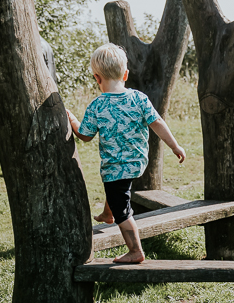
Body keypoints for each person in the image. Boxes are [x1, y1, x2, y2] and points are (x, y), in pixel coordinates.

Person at [67, 43, 186, 264]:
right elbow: (157, 122)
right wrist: (174, 146)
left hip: (116, 166)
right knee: (116, 190)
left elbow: (85, 135)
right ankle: (107, 214)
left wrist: (72, 120)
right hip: (137, 161)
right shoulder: (139, 98)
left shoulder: (97, 105)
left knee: (123, 208)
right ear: (126, 74)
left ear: (97, 78)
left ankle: (135, 250)